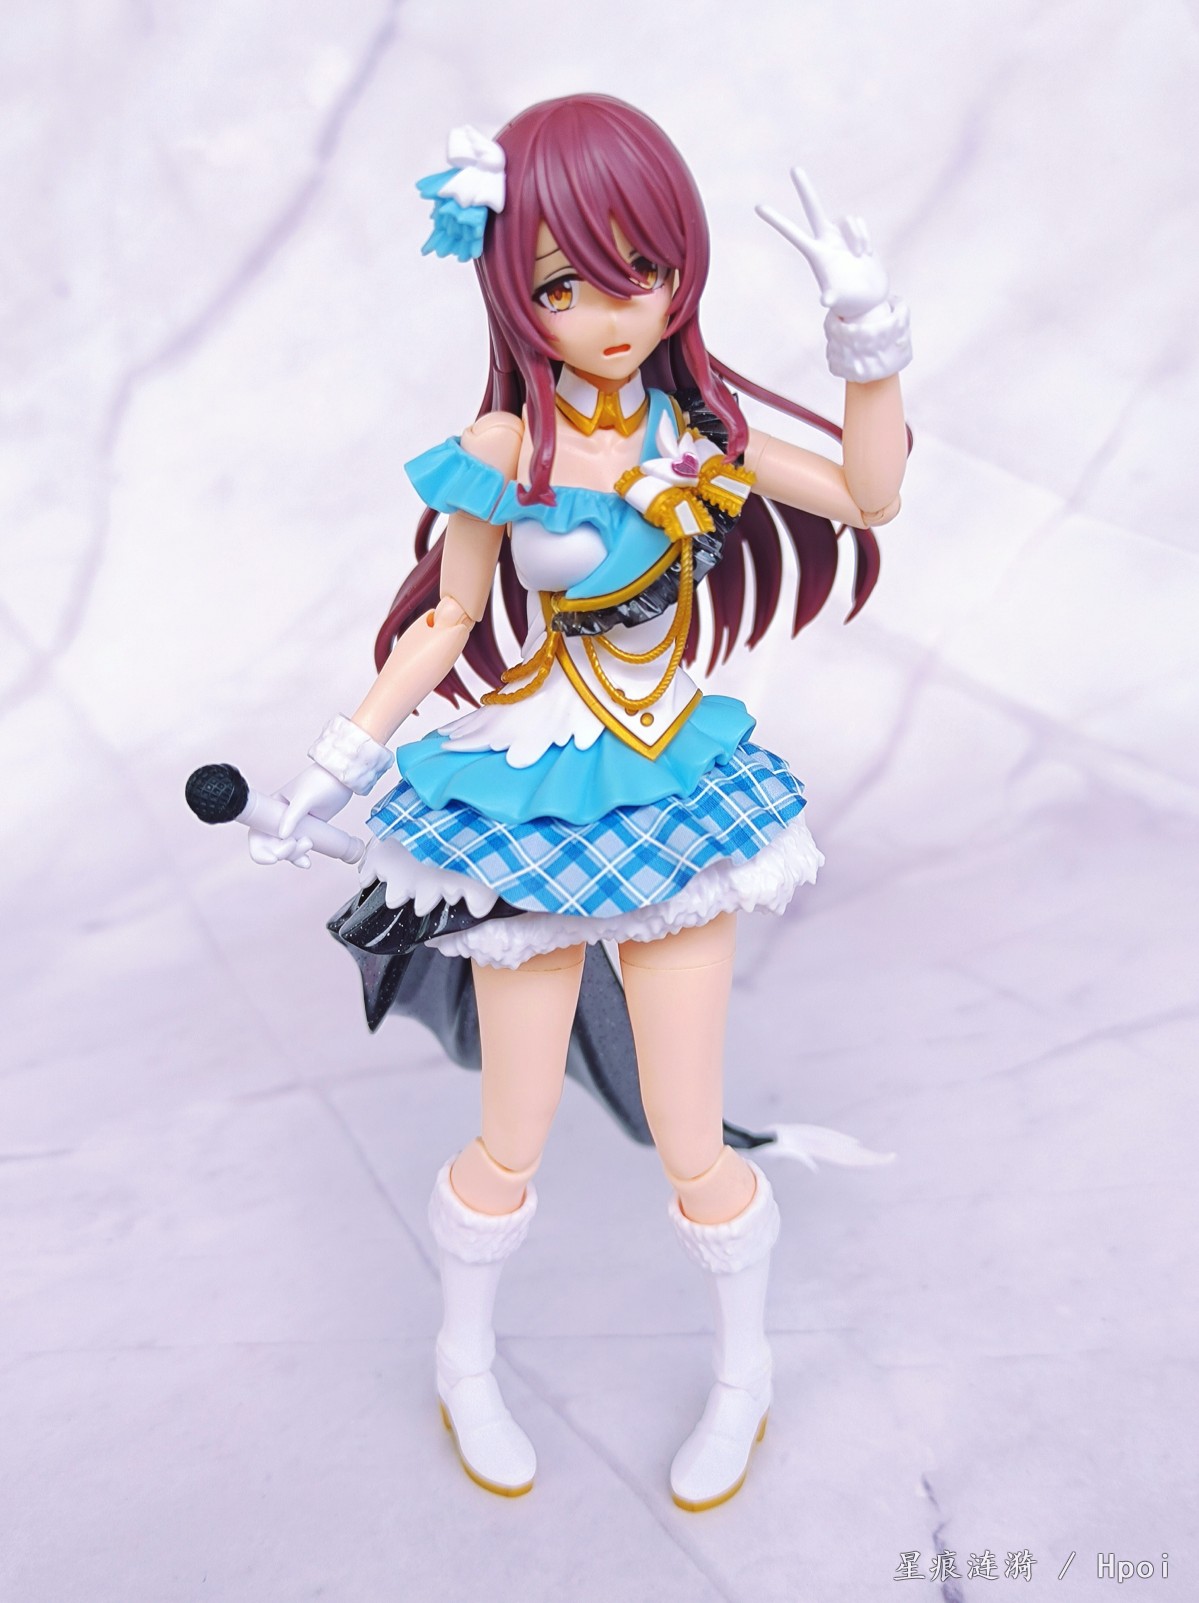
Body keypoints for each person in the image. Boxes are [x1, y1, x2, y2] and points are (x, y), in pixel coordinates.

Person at [248, 94, 910, 1511]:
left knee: (692, 1134)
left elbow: (867, 497)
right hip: (536, 789)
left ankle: (744, 1375)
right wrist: (333, 767)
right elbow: (447, 620)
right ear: (514, 289)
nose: (610, 314)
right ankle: (464, 1362)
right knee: (516, 1130)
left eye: (640, 272)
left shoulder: (702, 432)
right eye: (564, 285)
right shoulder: (503, 448)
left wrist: (868, 340)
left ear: (679, 273)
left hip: (674, 787)